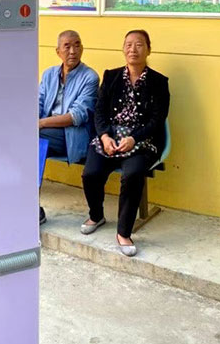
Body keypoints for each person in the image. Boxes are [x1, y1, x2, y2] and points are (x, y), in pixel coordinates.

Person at [80, 29, 169, 256]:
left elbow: (157, 120)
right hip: (110, 137)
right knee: (91, 173)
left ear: (148, 49)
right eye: (128, 44)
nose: (133, 49)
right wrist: (104, 136)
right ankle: (96, 215)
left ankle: (123, 232)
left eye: (139, 44)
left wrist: (134, 138)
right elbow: (99, 112)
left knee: (132, 175)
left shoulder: (159, 82)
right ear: (123, 49)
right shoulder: (111, 76)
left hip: (142, 140)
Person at [38, 30, 99, 224]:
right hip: (44, 133)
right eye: (67, 46)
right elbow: (38, 102)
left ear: (82, 49)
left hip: (72, 136)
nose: (73, 51)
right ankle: (27, 203)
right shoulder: (49, 74)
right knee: (26, 143)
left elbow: (77, 116)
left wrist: (40, 123)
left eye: (77, 45)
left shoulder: (90, 77)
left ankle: (29, 205)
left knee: (30, 140)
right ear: (58, 51)